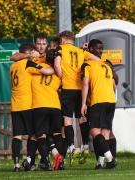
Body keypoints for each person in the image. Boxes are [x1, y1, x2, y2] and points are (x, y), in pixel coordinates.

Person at [54, 31, 100, 158]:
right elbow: (96, 59)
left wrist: (61, 76)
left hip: (67, 88)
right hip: (80, 89)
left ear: (62, 39)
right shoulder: (80, 51)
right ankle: (85, 146)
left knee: (67, 119)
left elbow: (57, 65)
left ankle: (71, 146)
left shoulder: (60, 48)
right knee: (82, 117)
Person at [10, 44, 54, 172]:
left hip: (15, 105)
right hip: (28, 105)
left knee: (17, 136)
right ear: (28, 52)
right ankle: (45, 161)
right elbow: (47, 71)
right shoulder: (27, 64)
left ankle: (17, 165)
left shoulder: (12, 66)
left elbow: (13, 57)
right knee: (37, 134)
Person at [81, 39, 117, 169]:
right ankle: (101, 163)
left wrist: (83, 103)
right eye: (99, 48)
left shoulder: (87, 64)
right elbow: (114, 85)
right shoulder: (106, 64)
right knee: (105, 132)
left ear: (90, 50)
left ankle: (110, 159)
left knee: (94, 131)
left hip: (98, 100)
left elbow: (85, 84)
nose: (100, 50)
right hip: (111, 100)